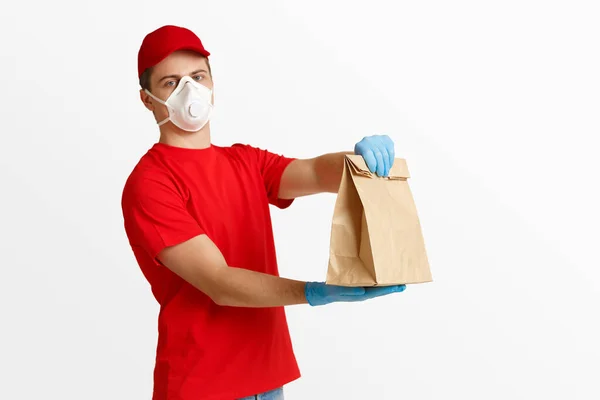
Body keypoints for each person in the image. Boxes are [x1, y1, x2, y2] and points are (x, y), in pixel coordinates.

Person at [121, 25, 406, 400]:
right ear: (147, 99)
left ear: (212, 83)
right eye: (171, 82)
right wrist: (314, 292)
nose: (189, 91)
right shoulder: (151, 183)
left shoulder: (245, 161)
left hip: (267, 380)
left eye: (197, 77)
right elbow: (219, 282)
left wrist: (358, 161)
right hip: (203, 384)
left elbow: (314, 172)